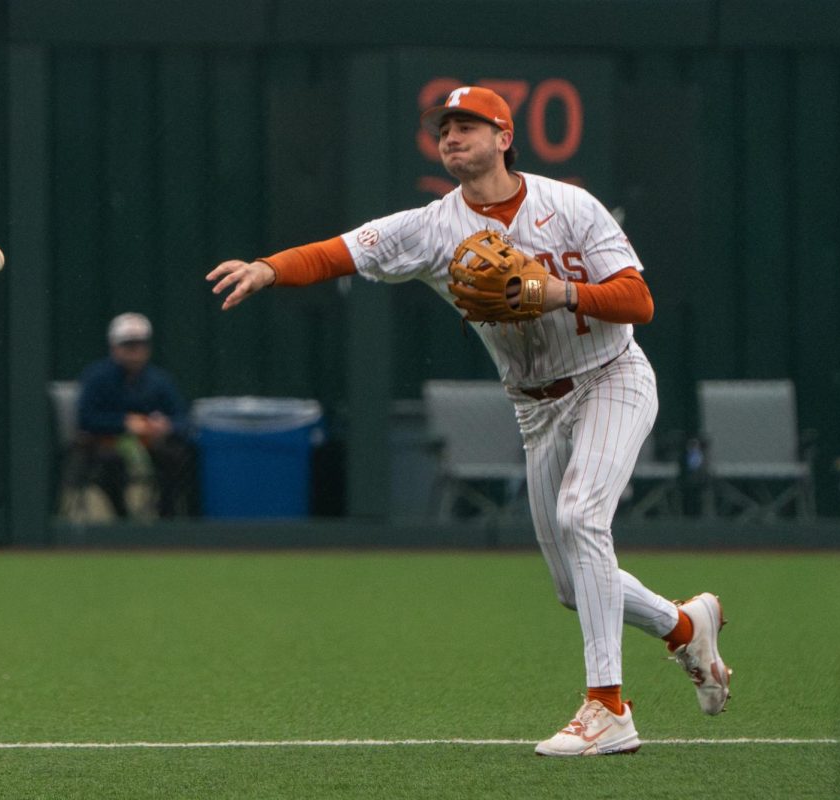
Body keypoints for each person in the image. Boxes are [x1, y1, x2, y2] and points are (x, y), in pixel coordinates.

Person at [207, 86, 730, 756]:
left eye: (467, 125)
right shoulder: (432, 227)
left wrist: (556, 289)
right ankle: (685, 627)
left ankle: (608, 708)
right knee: (574, 586)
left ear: (504, 136)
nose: (451, 137)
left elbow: (639, 301)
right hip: (536, 406)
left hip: (611, 377)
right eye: (443, 128)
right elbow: (342, 251)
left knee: (580, 518)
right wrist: (267, 269)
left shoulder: (569, 206)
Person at [71, 312, 193, 519]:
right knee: (109, 463)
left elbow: (182, 418)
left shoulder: (159, 380)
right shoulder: (97, 377)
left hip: (150, 443)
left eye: (140, 345)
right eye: (128, 345)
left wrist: (166, 426)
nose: (135, 351)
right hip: (106, 444)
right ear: (114, 347)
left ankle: (167, 517)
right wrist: (124, 423)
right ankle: (123, 519)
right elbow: (87, 418)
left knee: (179, 456)